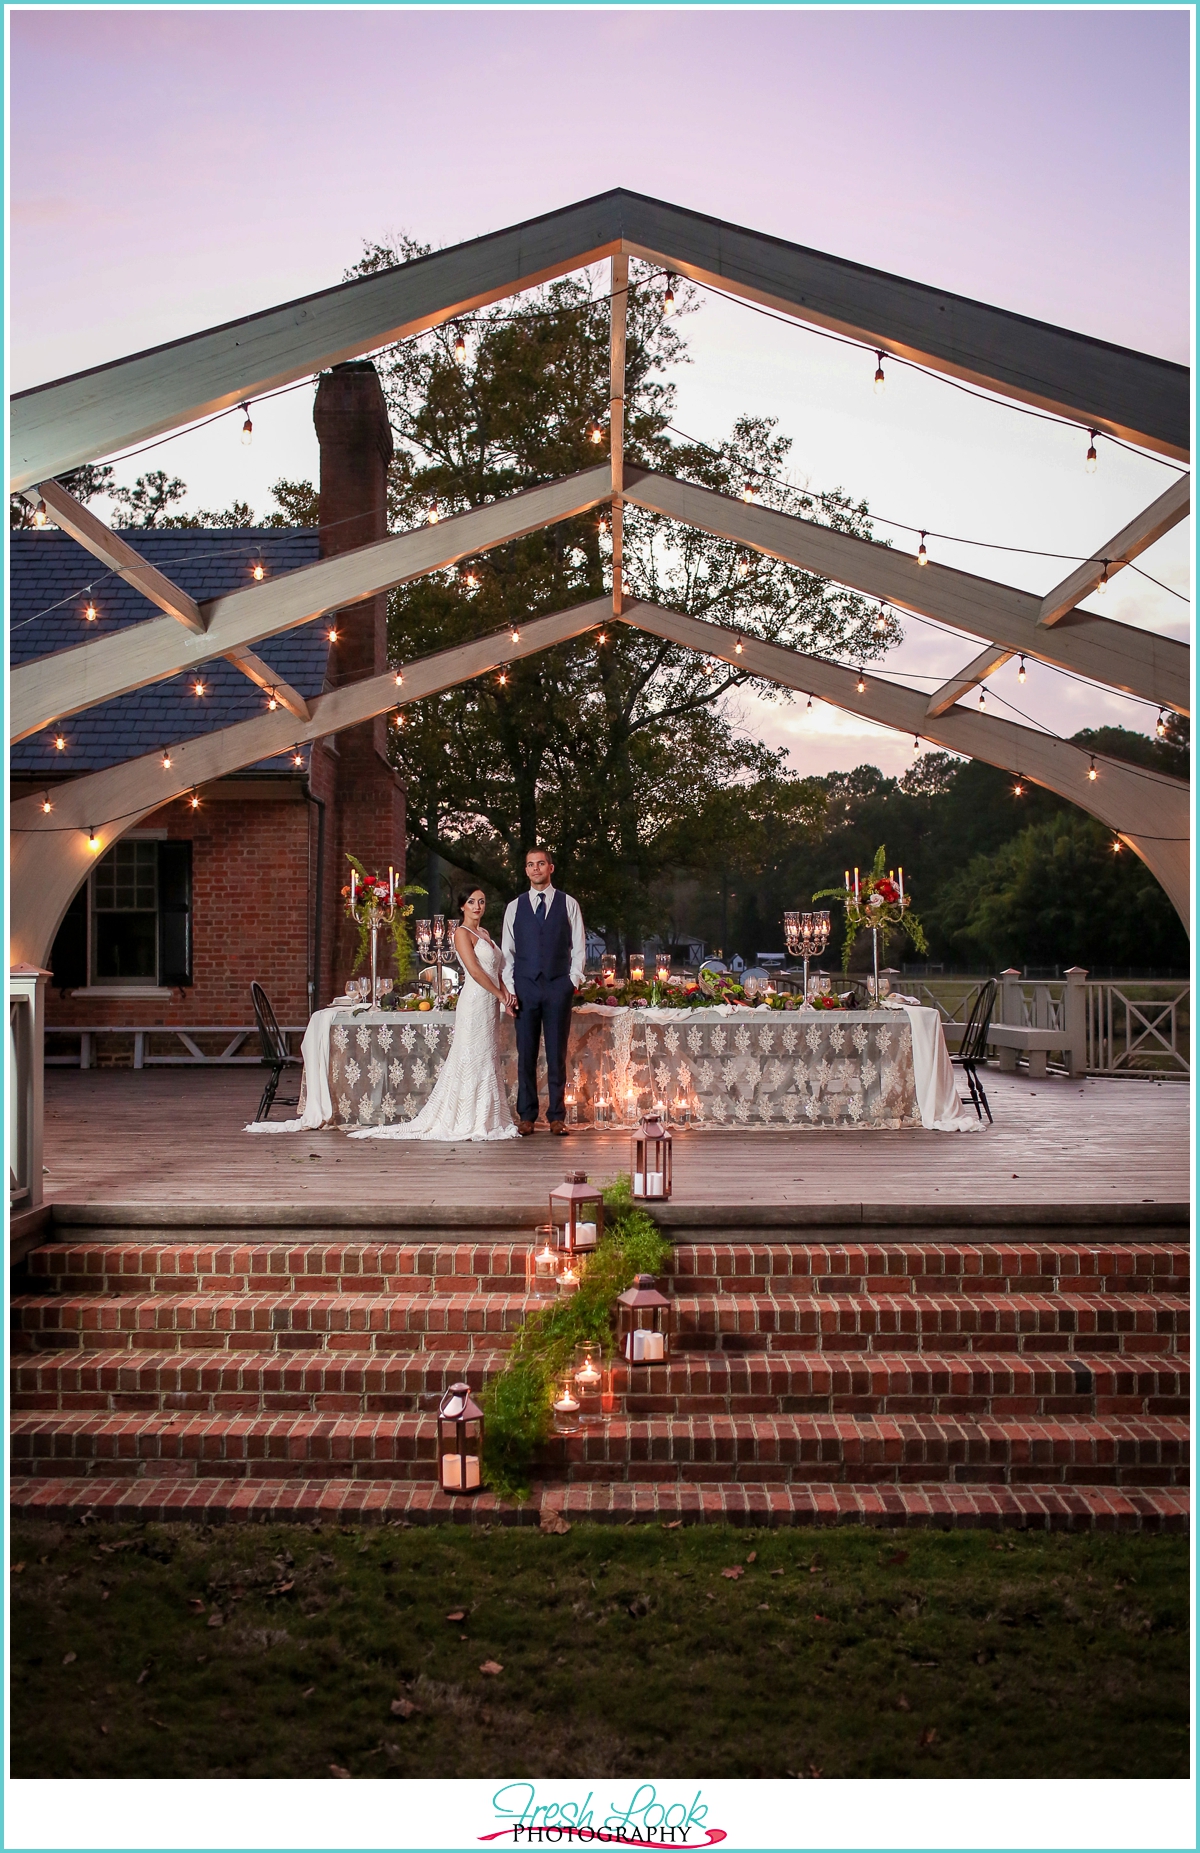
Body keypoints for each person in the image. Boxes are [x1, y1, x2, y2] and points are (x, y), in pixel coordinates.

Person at [348, 888, 518, 1143]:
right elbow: (473, 970)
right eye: (471, 901)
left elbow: (497, 969)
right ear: (462, 906)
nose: (477, 906)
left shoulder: (485, 933)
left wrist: (506, 995)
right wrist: (499, 993)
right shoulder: (461, 933)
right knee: (470, 1055)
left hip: (490, 1003)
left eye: (481, 901)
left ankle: (489, 1116)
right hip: (475, 1000)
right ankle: (466, 1118)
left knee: (487, 1056)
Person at [501, 846, 586, 1136]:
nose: (535, 868)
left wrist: (571, 981)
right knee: (525, 1053)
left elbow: (579, 946)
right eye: (530, 865)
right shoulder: (514, 907)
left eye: (540, 863)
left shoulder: (568, 904)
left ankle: (556, 1116)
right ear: (526, 870)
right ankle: (526, 1115)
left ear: (551, 867)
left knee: (556, 1054)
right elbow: (507, 953)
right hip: (525, 987)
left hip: (557, 986)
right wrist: (512, 988)